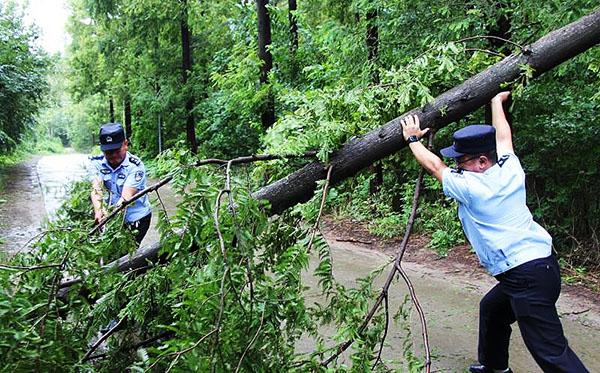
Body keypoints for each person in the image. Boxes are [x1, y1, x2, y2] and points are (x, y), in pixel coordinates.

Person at [400, 91, 588, 373]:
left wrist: (412, 139)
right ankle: (494, 367)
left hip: (525, 277)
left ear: (482, 162)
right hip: (543, 267)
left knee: (551, 353)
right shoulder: (510, 168)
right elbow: (503, 137)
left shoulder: (471, 188)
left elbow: (434, 165)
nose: (456, 167)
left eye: (461, 161)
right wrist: (496, 103)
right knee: (493, 310)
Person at [89, 123, 152, 244]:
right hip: (112, 216)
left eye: (116, 151)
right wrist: (99, 210)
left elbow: (125, 199)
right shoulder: (96, 163)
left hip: (136, 218)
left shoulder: (136, 167)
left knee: (126, 256)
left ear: (125, 144)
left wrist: (110, 216)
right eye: (108, 152)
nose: (113, 156)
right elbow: (96, 189)